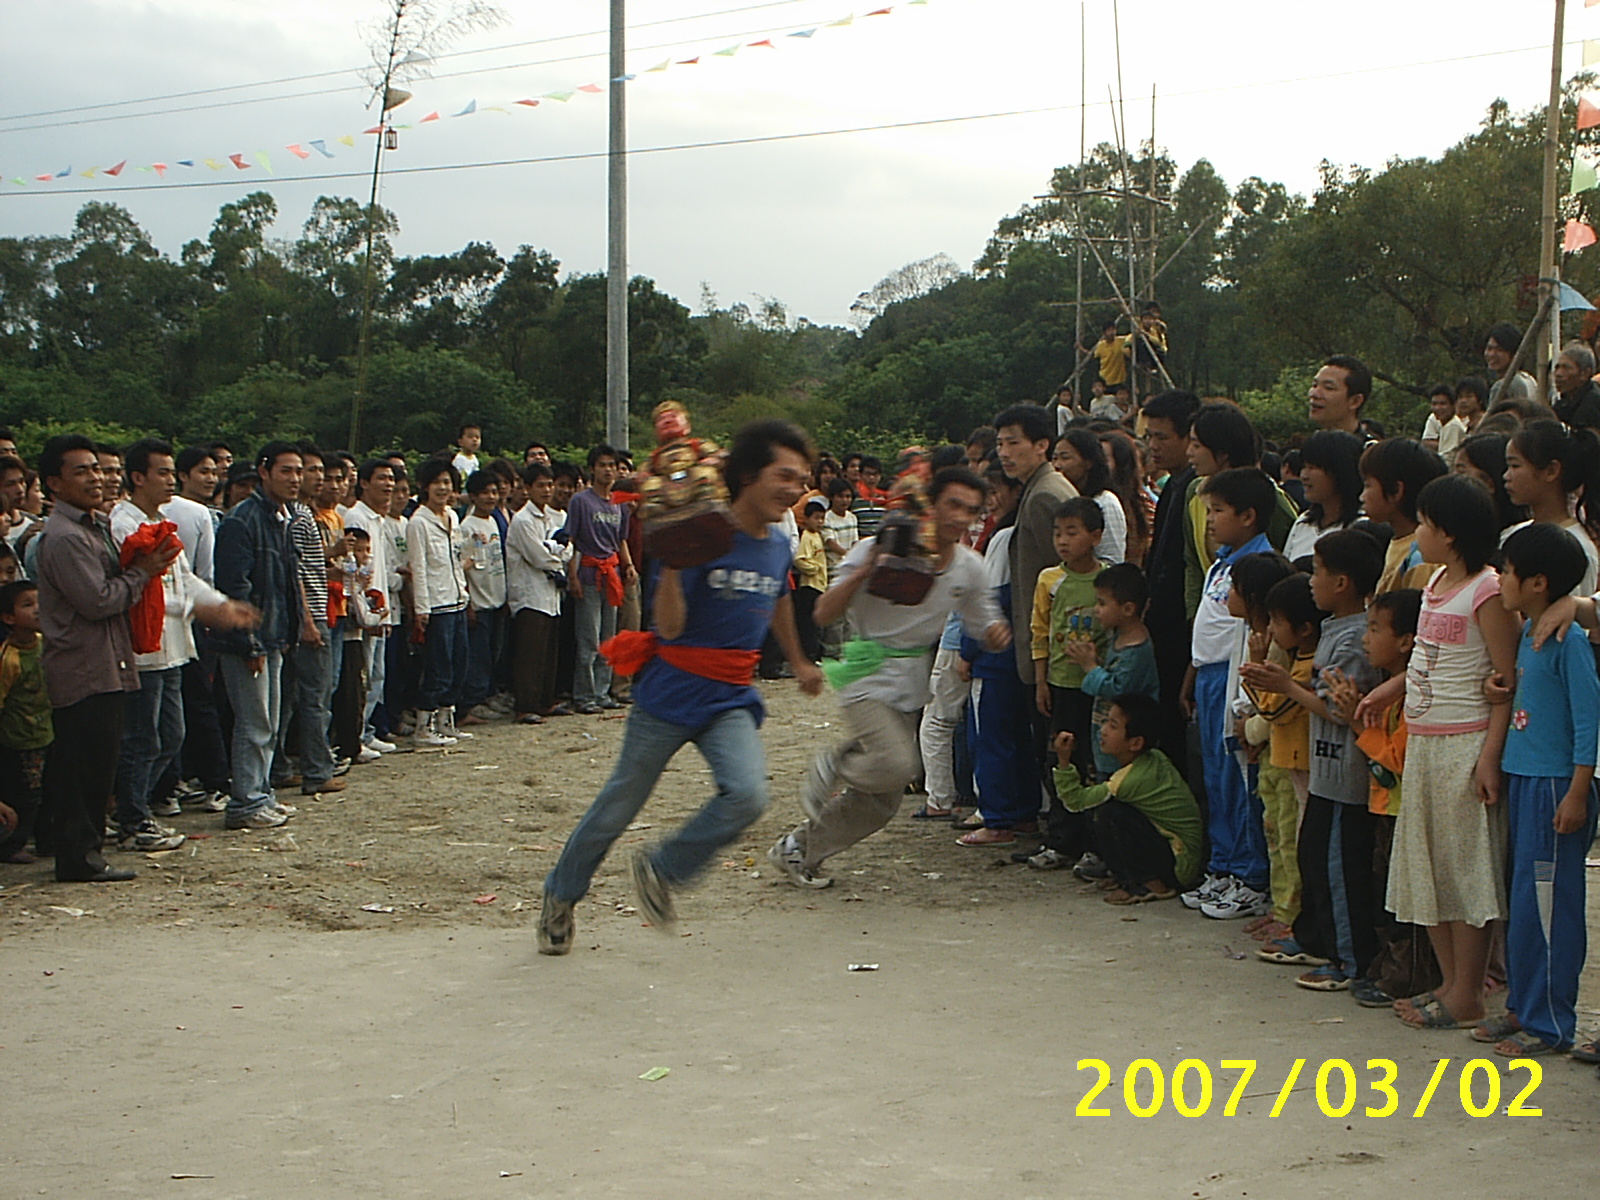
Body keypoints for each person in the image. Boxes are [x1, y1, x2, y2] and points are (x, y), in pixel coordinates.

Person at [540, 420, 824, 953]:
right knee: (617, 808)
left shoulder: (776, 545)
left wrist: (799, 660)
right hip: (669, 694)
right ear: (747, 476)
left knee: (748, 795)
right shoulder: (701, 535)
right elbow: (668, 628)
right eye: (784, 476)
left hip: (730, 699)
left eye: (802, 479)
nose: (796, 489)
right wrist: (673, 562)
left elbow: (780, 600)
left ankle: (663, 868)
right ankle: (560, 895)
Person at [770, 466, 1009, 887]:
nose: (960, 517)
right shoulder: (877, 547)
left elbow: (981, 620)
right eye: (952, 504)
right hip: (867, 676)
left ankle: (797, 850)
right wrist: (868, 568)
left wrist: (994, 633)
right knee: (899, 763)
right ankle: (838, 764)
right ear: (931, 503)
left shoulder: (969, 567)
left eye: (971, 510)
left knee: (879, 804)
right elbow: (823, 612)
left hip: (912, 685)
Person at [1356, 475, 1519, 1032]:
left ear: (1449, 533)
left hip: (1464, 745)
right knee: (1428, 867)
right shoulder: (1434, 584)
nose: (1418, 533)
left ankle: (1468, 990)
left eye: (1425, 524)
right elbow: (1426, 658)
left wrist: (1489, 757)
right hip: (1425, 746)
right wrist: (1391, 688)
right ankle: (1450, 984)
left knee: (1465, 870)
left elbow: (1506, 679)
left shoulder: (1486, 591)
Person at [1471, 524, 1598, 1055]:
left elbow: (1589, 718)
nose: (1500, 579)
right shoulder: (1528, 633)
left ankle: (1550, 1024)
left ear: (1538, 582)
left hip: (1554, 787)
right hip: (1524, 779)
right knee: (1523, 905)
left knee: (1549, 908)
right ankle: (1523, 1007)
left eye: (1508, 571)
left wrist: (1577, 791)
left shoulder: (1570, 642)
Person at [35, 434, 181, 881]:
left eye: (96, 469)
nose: (95, 478)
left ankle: (81, 851)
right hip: (83, 667)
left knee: (95, 765)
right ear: (54, 482)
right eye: (81, 471)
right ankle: (79, 858)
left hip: (105, 663)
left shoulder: (94, 525)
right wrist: (142, 573)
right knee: (84, 767)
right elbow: (97, 600)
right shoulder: (64, 537)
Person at [1244, 530, 1384, 989]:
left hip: (1347, 774)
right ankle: (1319, 940)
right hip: (1325, 770)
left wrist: (1286, 687)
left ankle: (1350, 961)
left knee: (1341, 870)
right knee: (1314, 857)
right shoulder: (1335, 629)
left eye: (1319, 572)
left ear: (1342, 583)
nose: (1311, 581)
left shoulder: (1355, 637)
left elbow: (1340, 710)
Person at [111, 438, 256, 848]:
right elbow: (145, 590)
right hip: (145, 648)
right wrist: (202, 610)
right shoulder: (124, 524)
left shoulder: (162, 520)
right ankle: (132, 819)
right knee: (144, 738)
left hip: (173, 648)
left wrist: (221, 604)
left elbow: (183, 577)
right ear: (138, 477)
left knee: (170, 736)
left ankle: (133, 807)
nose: (170, 480)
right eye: (162, 473)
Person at [1182, 468, 1276, 920]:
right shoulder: (1221, 562)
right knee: (1216, 778)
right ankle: (1223, 865)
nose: (1210, 520)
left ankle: (1250, 874)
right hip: (1208, 676)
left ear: (1248, 516)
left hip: (1235, 678)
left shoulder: (1258, 565)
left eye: (1218, 511)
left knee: (1240, 779)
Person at [213, 442, 308, 831]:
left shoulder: (282, 518)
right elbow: (236, 587)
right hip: (248, 641)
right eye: (286, 471)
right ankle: (245, 801)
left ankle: (261, 792)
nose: (295, 479)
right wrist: (248, 642)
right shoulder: (242, 520)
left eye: (299, 471)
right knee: (253, 723)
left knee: (269, 722)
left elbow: (285, 582)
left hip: (274, 635)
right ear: (264, 472)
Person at [1050, 695, 1202, 905]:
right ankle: (1130, 878)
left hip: (1179, 864)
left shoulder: (1132, 780)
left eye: (1113, 726)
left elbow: (1075, 802)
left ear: (1136, 743)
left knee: (1110, 814)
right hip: (1178, 855)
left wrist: (1063, 761)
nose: (1103, 730)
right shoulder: (1154, 757)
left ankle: (1152, 884)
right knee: (1112, 811)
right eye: (1105, 721)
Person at [1243, 572, 1322, 952]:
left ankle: (1294, 917)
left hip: (1302, 765)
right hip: (1284, 761)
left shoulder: (1306, 669)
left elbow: (1272, 710)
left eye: (1276, 622)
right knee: (1276, 837)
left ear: (1304, 629)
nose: (1271, 630)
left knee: (1293, 844)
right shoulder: (1294, 662)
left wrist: (1258, 669)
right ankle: (1282, 909)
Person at [1140, 390, 1201, 778]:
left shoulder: (1193, 489)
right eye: (1149, 436)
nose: (1153, 446)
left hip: (1180, 627)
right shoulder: (1173, 486)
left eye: (1162, 437)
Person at [1031, 498, 1108, 794]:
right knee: (1061, 751)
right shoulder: (1049, 580)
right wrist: (1041, 681)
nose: (1062, 541)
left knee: (1095, 752)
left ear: (1095, 536)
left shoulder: (1107, 578)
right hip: (1060, 682)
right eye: (1058, 533)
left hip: (1098, 682)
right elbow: (1039, 632)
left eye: (1072, 533)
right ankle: (1063, 813)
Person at [1064, 562, 1159, 782]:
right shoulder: (1119, 636)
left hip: (1126, 751)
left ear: (1128, 609)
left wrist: (1090, 666)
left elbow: (1120, 690)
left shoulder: (1136, 651)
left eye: (1102, 603)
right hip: (1108, 737)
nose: (1096, 609)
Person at [566, 444, 636, 715]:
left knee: (609, 637)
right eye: (602, 465)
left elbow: (621, 540)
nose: (608, 471)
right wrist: (572, 575)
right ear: (592, 469)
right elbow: (571, 540)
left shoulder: (620, 504)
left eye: (612, 466)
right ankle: (584, 694)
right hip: (588, 573)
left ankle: (602, 691)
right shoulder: (580, 501)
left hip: (612, 575)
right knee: (589, 638)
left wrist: (628, 566)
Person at [408, 458, 471, 748]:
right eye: (437, 483)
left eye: (447, 482)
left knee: (459, 663)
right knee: (438, 666)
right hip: (436, 604)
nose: (442, 488)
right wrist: (422, 608)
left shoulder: (453, 517)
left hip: (457, 599)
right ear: (425, 486)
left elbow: (457, 557)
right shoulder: (418, 523)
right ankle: (424, 725)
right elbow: (419, 568)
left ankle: (447, 720)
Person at [1500, 420, 1600, 594]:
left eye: (1515, 466)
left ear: (1551, 471)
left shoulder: (1576, 548)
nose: (1506, 476)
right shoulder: (1513, 533)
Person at [342, 460, 399, 758]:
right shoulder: (357, 517)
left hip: (379, 607)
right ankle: (356, 735)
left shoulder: (379, 519)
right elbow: (357, 567)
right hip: (363, 607)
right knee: (363, 676)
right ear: (364, 483)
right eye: (381, 478)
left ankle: (367, 731)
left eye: (391, 479)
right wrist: (365, 607)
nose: (388, 484)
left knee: (377, 675)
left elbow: (380, 569)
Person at [506, 463, 571, 724]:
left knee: (548, 651)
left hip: (551, 594)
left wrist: (555, 552)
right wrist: (555, 554)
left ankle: (545, 700)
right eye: (541, 485)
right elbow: (538, 556)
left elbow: (568, 548)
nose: (546, 490)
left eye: (549, 485)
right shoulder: (523, 520)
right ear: (528, 488)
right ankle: (526, 704)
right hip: (529, 594)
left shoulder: (552, 518)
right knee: (529, 653)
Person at [0, 581, 50, 864]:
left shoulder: (43, 643)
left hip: (45, 730)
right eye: (27, 605)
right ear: (9, 617)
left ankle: (47, 839)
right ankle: (12, 845)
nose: (37, 610)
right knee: (25, 794)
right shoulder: (9, 659)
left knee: (46, 788)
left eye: (39, 602)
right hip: (19, 738)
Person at [1359, 438, 1446, 594]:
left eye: (1368, 485)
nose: (1362, 497)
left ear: (1396, 491)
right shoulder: (1400, 541)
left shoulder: (1422, 558)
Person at [460, 469, 509, 723]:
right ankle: (472, 702)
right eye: (485, 493)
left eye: (494, 492)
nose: (491, 497)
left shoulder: (493, 522)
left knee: (493, 653)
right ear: (473, 496)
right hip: (478, 602)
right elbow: (463, 568)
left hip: (496, 596)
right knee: (477, 655)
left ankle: (488, 695)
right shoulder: (466, 527)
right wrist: (468, 603)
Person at [1283, 431, 1363, 562]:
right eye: (1304, 467)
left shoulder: (1360, 527)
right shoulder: (1303, 522)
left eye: (1312, 467)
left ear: (1339, 471)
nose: (1304, 475)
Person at [1052, 429, 1126, 563]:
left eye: (1065, 457)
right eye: (1055, 458)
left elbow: (1112, 559)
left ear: (1088, 462)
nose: (1057, 465)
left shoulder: (1105, 502)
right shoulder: (1065, 498)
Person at [792, 499, 828, 663]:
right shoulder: (807, 537)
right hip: (810, 585)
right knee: (809, 624)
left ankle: (814, 653)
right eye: (816, 518)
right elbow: (800, 559)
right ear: (806, 519)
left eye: (822, 518)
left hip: (819, 585)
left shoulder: (817, 536)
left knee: (815, 623)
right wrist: (814, 569)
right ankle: (809, 656)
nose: (820, 522)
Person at [1307, 355, 1373, 437]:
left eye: (1328, 388)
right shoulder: (1305, 443)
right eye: (1314, 385)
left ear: (1355, 401)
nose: (1314, 393)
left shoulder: (1369, 445)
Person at [1484, 322, 1536, 408]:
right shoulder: (1529, 380)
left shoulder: (1502, 386)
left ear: (1514, 353)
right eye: (1489, 348)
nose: (1492, 354)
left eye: (1499, 350)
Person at [1551, 341, 1600, 431]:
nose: (1558, 374)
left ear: (1584, 374)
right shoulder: (1564, 401)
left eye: (1566, 368)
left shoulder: (1593, 403)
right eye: (1557, 367)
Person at [1422, 383, 1466, 460]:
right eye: (1434, 404)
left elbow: (1447, 458)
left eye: (1443, 404)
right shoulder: (1443, 423)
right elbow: (1426, 442)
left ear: (1453, 405)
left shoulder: (1453, 425)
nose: (1438, 408)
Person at [1087, 320, 1129, 392]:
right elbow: (1093, 356)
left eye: (1113, 330)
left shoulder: (1121, 341)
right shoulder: (1101, 345)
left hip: (1119, 379)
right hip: (1105, 378)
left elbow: (1132, 337)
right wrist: (1081, 349)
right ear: (1104, 333)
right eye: (1109, 330)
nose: (1111, 333)